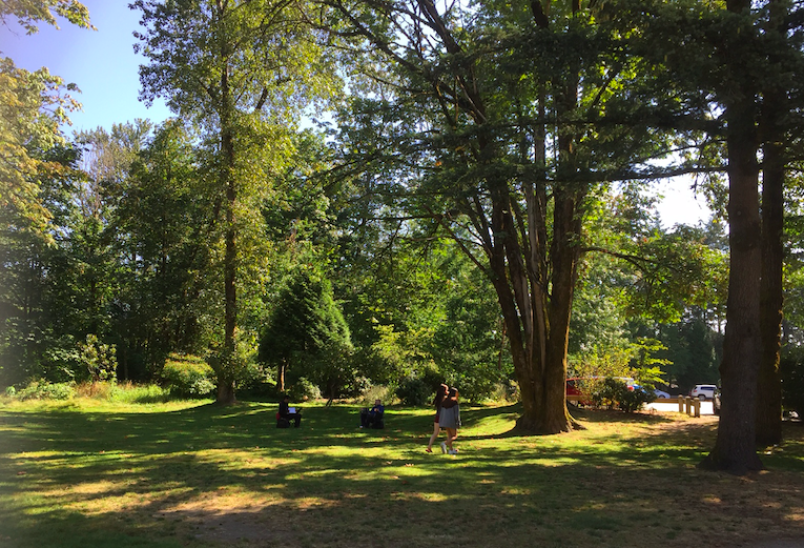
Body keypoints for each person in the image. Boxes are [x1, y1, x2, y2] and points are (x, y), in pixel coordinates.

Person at [426, 384, 449, 453]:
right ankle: (449, 447)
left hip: (437, 416)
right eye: (447, 390)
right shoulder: (445, 398)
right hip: (443, 417)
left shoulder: (438, 398)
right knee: (449, 432)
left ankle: (429, 446)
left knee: (435, 432)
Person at [438, 387, 460, 454]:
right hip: (451, 420)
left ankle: (450, 450)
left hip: (444, 420)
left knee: (449, 436)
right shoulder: (454, 401)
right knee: (454, 436)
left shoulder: (444, 400)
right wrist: (458, 422)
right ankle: (444, 443)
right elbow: (456, 414)